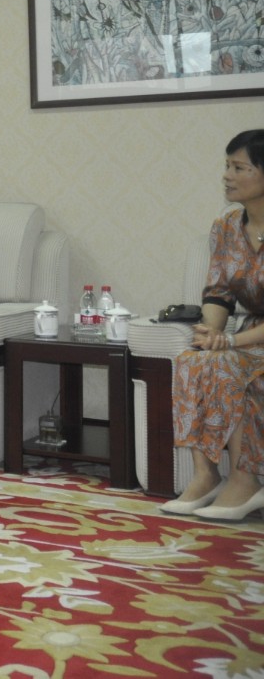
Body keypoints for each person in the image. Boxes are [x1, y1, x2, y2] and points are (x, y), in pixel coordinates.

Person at [159, 129, 264, 521]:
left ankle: (245, 480)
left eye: (239, 168)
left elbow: (233, 344)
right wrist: (210, 332)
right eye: (227, 166)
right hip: (248, 335)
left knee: (226, 363)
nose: (227, 176)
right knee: (194, 359)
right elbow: (219, 292)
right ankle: (206, 475)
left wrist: (231, 342)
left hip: (250, 339)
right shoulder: (226, 227)